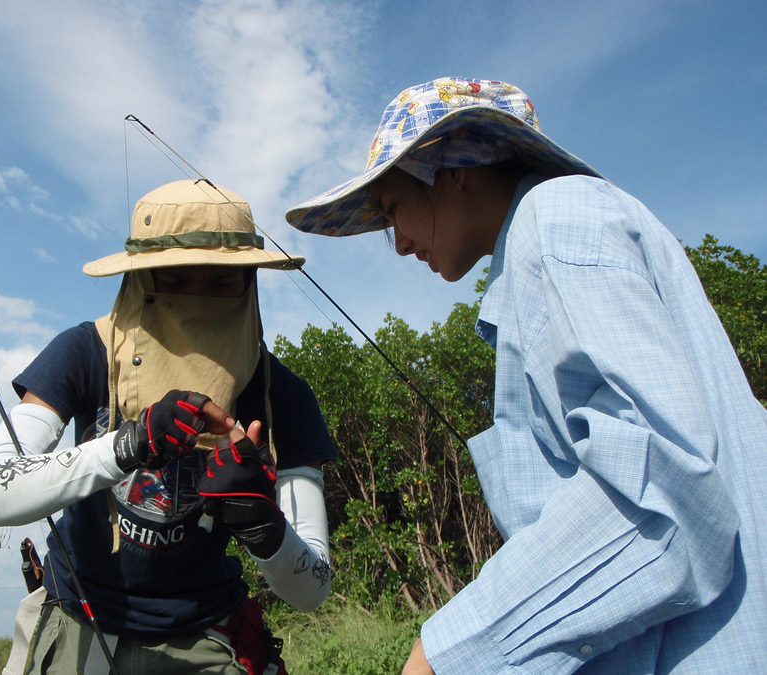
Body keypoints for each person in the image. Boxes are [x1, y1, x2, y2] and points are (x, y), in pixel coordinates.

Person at [285, 77, 767, 673]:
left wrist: (445, 653)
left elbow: (662, 494)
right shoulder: (545, 242)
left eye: (392, 210)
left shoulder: (558, 215)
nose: (399, 242)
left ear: (453, 164)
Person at [0, 179, 335, 674]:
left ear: (249, 282)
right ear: (139, 281)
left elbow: (311, 589)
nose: (195, 301)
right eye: (173, 281)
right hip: (78, 617)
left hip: (204, 633)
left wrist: (262, 525)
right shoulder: (84, 353)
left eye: (220, 282)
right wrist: (128, 444)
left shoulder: (279, 394)